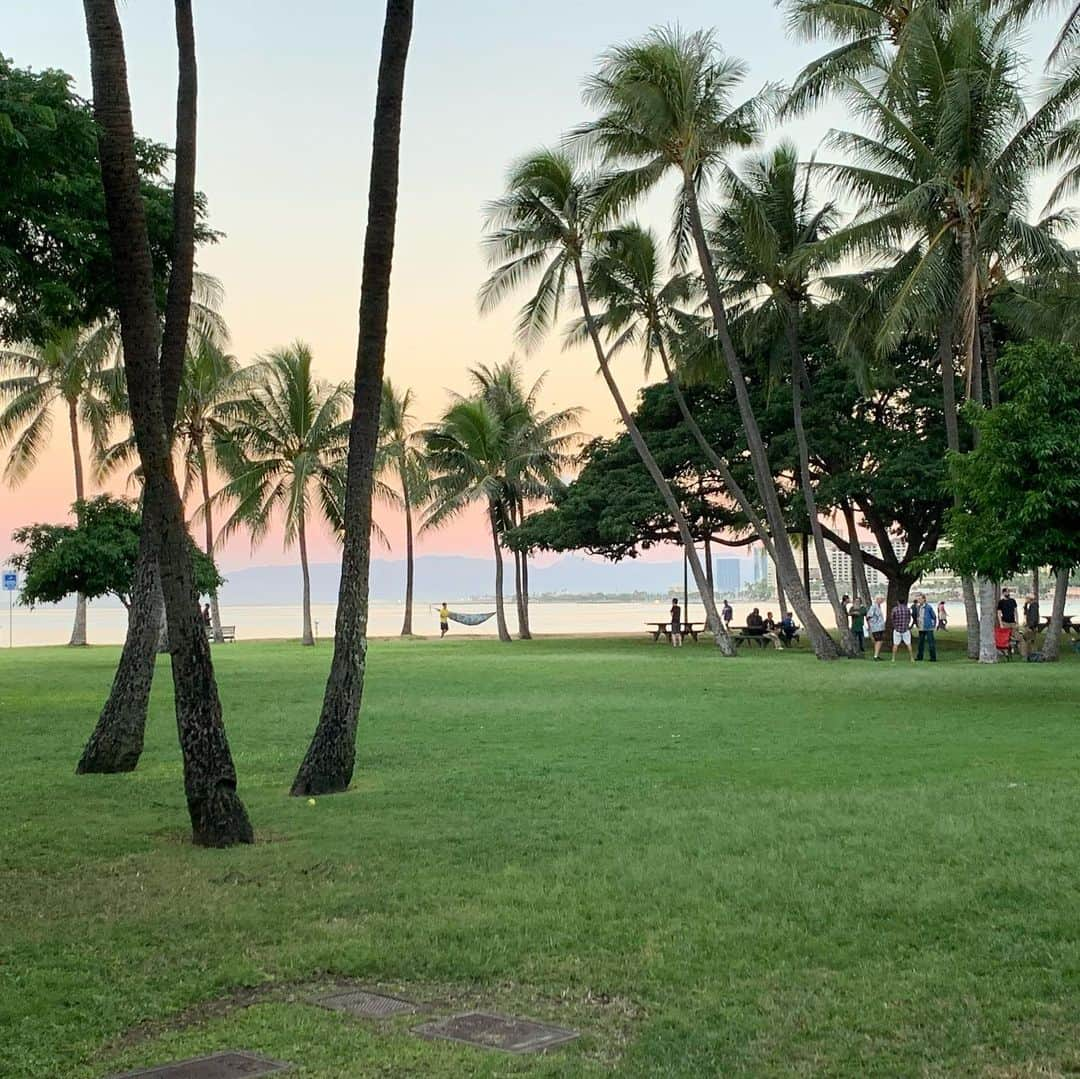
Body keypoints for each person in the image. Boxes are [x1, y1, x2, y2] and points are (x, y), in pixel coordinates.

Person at [914, 592, 937, 662]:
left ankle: (933, 658)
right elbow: (917, 616)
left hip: (928, 627)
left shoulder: (928, 607)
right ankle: (919, 657)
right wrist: (917, 623)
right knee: (920, 643)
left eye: (920, 599)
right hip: (921, 627)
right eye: (918, 599)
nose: (919, 600)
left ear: (924, 599)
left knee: (931, 643)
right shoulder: (918, 607)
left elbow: (934, 616)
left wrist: (933, 625)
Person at [891, 598, 915, 663]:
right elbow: (909, 618)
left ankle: (893, 658)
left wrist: (895, 626)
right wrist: (907, 625)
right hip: (906, 629)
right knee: (908, 644)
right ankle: (912, 658)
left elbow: (892, 618)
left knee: (895, 644)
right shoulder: (907, 609)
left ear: (898, 602)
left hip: (897, 629)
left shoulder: (895, 609)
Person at [866, 595, 887, 660]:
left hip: (880, 627)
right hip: (876, 627)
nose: (882, 601)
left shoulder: (878, 607)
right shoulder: (873, 607)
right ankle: (875, 656)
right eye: (881, 599)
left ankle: (877, 654)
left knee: (879, 641)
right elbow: (869, 616)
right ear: (877, 599)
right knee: (878, 641)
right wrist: (871, 625)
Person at [1020, 593, 1040, 659]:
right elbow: (1025, 613)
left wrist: (1031, 626)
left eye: (1026, 599)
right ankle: (1031, 655)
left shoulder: (1033, 606)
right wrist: (1025, 605)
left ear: (1029, 599)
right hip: (1031, 626)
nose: (1025, 600)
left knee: (1025, 639)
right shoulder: (1030, 605)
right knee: (1031, 640)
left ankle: (1026, 655)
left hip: (1031, 627)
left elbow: (1034, 617)